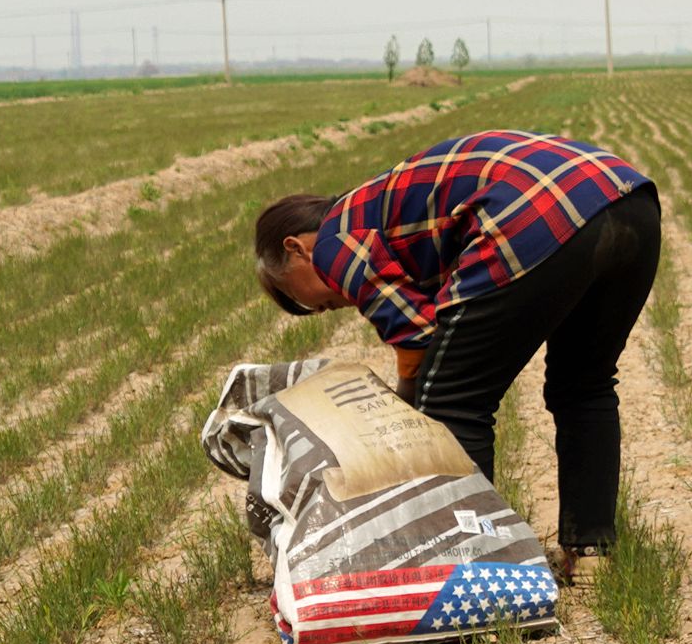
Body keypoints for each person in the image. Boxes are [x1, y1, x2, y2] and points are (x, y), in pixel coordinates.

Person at [253, 129, 659, 580]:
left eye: (319, 301)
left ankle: (471, 569)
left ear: (296, 249)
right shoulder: (379, 206)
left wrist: (405, 409)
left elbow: (419, 335)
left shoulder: (333, 240)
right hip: (625, 194)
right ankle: (591, 559)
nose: (336, 303)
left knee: (451, 402)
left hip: (537, 212)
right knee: (583, 384)